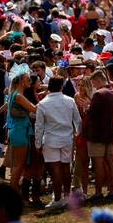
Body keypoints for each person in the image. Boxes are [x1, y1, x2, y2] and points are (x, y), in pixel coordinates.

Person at [34, 75, 81, 209]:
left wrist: (38, 143)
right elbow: (77, 120)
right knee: (66, 167)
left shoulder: (43, 103)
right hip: (66, 138)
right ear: (61, 86)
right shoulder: (69, 101)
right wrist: (78, 134)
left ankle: (58, 197)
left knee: (55, 169)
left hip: (50, 139)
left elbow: (39, 126)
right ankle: (66, 196)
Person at [82, 69, 113, 202]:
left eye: (93, 82)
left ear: (98, 80)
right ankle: (112, 189)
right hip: (109, 131)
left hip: (97, 133)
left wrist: (87, 107)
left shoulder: (98, 94)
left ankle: (98, 192)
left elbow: (91, 113)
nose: (93, 86)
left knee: (98, 163)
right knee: (111, 161)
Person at [3, 68, 37, 193]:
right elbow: (34, 109)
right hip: (20, 131)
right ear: (22, 81)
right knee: (19, 165)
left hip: (19, 130)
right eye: (28, 79)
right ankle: (12, 194)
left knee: (18, 165)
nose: (30, 81)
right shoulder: (18, 96)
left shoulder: (14, 93)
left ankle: (14, 192)